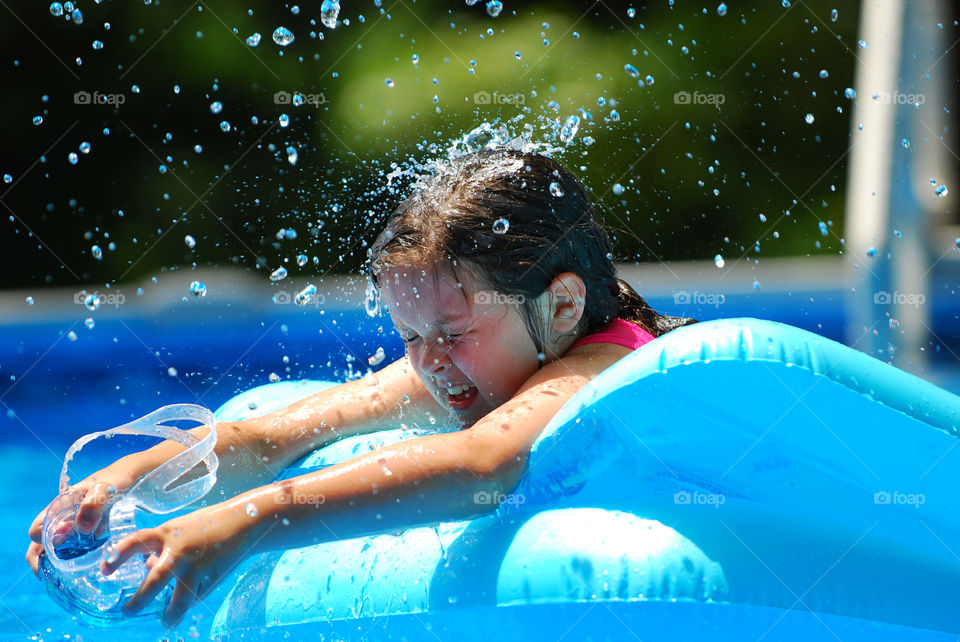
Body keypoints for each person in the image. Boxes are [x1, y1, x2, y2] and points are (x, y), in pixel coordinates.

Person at [26, 148, 696, 627]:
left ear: (561, 309)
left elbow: (481, 461)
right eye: (409, 337)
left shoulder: (604, 368)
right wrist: (123, 480)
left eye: (452, 334)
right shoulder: (469, 365)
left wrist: (249, 519)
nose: (428, 363)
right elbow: (270, 437)